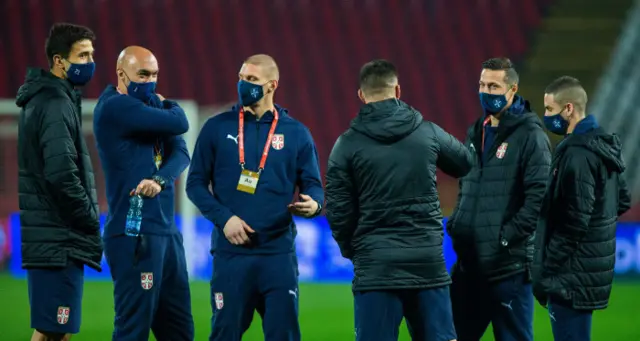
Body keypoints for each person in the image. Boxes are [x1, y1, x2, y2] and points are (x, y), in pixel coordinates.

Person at [325, 59, 472, 341]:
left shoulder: (347, 144)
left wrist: (356, 251)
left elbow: (339, 212)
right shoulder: (427, 131)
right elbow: (464, 163)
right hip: (427, 263)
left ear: (361, 95)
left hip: (376, 266)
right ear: (398, 90)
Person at [186, 54, 324, 341]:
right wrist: (225, 220)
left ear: (272, 85)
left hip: (278, 254)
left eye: (251, 80)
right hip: (230, 255)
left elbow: (313, 184)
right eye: (241, 77)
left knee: (283, 335)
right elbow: (195, 185)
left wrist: (313, 203)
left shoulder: (296, 133)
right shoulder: (216, 127)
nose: (242, 84)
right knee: (225, 333)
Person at [446, 57, 552, 341]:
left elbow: (538, 198)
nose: (486, 91)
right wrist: (458, 223)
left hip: (508, 269)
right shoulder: (476, 131)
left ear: (512, 89)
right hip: (469, 266)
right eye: (482, 84)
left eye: (494, 86)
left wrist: (505, 239)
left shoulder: (531, 136)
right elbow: (468, 185)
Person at [93, 46, 194, 341]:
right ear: (121, 74)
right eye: (143, 74)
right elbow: (180, 122)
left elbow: (181, 153)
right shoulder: (114, 106)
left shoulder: (150, 107)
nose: (151, 81)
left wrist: (161, 179)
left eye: (155, 74)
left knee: (180, 332)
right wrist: (169, 105)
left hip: (166, 233)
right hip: (133, 234)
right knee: (132, 331)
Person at [16, 23, 102, 341]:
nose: (90, 62)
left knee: (56, 331)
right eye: (82, 55)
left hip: (53, 237)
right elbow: (61, 173)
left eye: (91, 54)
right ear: (59, 61)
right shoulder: (54, 103)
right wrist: (88, 217)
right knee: (51, 331)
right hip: (58, 238)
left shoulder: (51, 98)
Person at [533, 76, 631, 341]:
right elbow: (621, 200)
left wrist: (548, 265)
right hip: (585, 271)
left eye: (550, 109)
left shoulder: (578, 154)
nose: (546, 116)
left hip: (569, 277)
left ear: (568, 109)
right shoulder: (602, 146)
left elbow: (576, 220)